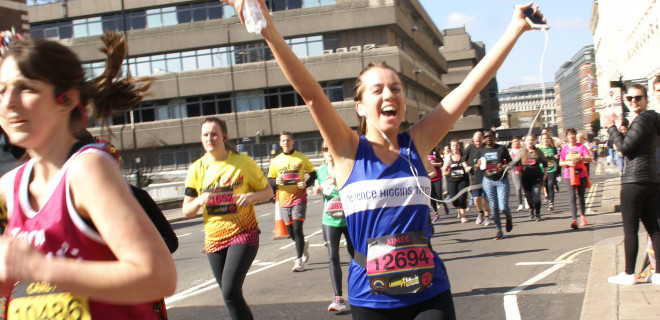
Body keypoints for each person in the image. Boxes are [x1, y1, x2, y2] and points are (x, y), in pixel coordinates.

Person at [222, 0, 543, 317]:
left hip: (429, 291)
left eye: (396, 89)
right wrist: (268, 31)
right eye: (377, 90)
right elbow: (310, 94)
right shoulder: (347, 150)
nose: (389, 94)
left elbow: (471, 86)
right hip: (372, 297)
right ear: (360, 106)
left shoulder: (416, 143)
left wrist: (515, 29)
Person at [0, 32, 176, 318]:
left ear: (65, 99)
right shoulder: (11, 187)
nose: (9, 103)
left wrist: (40, 268)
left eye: (26, 88)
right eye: (2, 90)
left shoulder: (87, 171)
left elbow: (159, 276)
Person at [182, 117, 273, 319]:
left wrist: (251, 197)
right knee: (230, 296)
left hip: (243, 232)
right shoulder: (196, 169)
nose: (209, 138)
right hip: (213, 238)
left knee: (230, 291)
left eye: (214, 134)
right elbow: (186, 211)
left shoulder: (243, 163)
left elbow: (268, 192)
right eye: (205, 134)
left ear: (224, 137)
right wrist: (199, 201)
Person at [603, 84, 660, 285]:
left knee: (630, 228)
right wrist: (620, 125)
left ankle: (628, 274)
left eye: (638, 98)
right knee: (654, 227)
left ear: (646, 99)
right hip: (652, 179)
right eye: (630, 99)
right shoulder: (653, 119)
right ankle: (658, 273)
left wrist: (610, 127)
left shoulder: (643, 119)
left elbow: (625, 148)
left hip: (634, 180)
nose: (633, 101)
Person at [313, 141, 355, 312]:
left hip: (348, 218)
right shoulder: (321, 171)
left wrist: (338, 183)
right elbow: (324, 191)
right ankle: (338, 298)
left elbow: (353, 189)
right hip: (330, 219)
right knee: (333, 257)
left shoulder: (345, 166)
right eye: (325, 149)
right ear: (323, 152)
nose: (328, 151)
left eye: (331, 147)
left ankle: (359, 291)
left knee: (355, 256)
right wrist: (318, 190)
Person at [267, 131, 316, 271]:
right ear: (280, 143)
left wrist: (306, 184)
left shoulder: (301, 158)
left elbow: (313, 174)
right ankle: (303, 244)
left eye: (288, 140)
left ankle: (299, 260)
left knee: (297, 228)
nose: (286, 143)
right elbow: (270, 181)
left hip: (299, 198)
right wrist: (275, 181)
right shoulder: (276, 161)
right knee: (290, 231)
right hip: (284, 199)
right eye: (283, 141)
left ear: (293, 141)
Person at [478, 131, 514, 240]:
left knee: (502, 206)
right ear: (483, 139)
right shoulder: (481, 150)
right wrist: (478, 164)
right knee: (493, 207)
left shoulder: (501, 148)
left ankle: (508, 217)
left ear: (494, 137)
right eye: (486, 136)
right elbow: (475, 164)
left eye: (490, 136)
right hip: (488, 181)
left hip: (501, 180)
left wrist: (503, 166)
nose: (488, 138)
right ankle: (499, 230)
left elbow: (510, 163)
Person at [559, 128, 592, 229]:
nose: (571, 136)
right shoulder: (564, 149)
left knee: (581, 196)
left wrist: (581, 158)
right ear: (567, 137)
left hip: (581, 174)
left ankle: (583, 216)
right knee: (572, 197)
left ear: (575, 136)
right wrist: (567, 163)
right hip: (569, 175)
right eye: (569, 135)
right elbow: (560, 162)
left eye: (573, 134)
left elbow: (589, 158)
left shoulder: (581, 147)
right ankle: (574, 220)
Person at [510, 135, 547, 221]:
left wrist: (545, 174)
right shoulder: (522, 151)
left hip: (537, 175)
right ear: (525, 141)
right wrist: (516, 170)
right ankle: (531, 209)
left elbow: (545, 163)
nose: (530, 142)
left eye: (532, 140)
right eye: (528, 140)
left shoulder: (538, 151)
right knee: (529, 196)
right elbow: (514, 163)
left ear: (534, 141)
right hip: (525, 176)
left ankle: (538, 213)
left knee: (537, 194)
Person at [462, 130, 493, 225]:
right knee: (476, 199)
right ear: (473, 140)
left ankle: (487, 217)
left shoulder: (487, 148)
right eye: (476, 141)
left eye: (479, 141)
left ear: (483, 139)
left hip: (487, 177)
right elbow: (463, 159)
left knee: (486, 199)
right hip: (475, 177)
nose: (477, 143)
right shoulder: (470, 148)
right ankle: (480, 212)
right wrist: (466, 166)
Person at [443, 139, 470, 223]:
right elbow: (444, 169)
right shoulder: (448, 157)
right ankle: (459, 208)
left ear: (459, 146)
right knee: (454, 200)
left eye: (456, 145)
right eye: (453, 145)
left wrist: (467, 167)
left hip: (463, 179)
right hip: (452, 180)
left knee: (462, 198)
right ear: (451, 147)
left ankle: (463, 216)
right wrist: (446, 169)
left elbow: (468, 164)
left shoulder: (463, 155)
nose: (455, 147)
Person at [539, 133, 559, 211]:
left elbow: (557, 157)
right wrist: (543, 156)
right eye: (544, 138)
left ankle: (551, 202)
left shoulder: (553, 148)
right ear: (541, 140)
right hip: (543, 169)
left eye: (547, 138)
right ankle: (548, 197)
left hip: (551, 169)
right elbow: (537, 159)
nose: (545, 140)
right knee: (546, 185)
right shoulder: (540, 149)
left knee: (550, 184)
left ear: (549, 139)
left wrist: (555, 156)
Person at [428, 146, 448, 221]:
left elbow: (441, 163)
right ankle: (436, 214)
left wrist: (434, 165)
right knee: (431, 197)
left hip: (437, 177)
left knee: (439, 195)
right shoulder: (424, 153)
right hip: (429, 178)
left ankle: (444, 204)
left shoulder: (435, 153)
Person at [508, 137, 524, 211]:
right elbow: (510, 163)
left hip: (524, 170)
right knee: (518, 187)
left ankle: (526, 200)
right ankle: (520, 203)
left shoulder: (522, 151)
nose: (516, 143)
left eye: (517, 141)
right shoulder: (510, 152)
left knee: (525, 186)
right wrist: (515, 169)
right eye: (514, 142)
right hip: (515, 171)